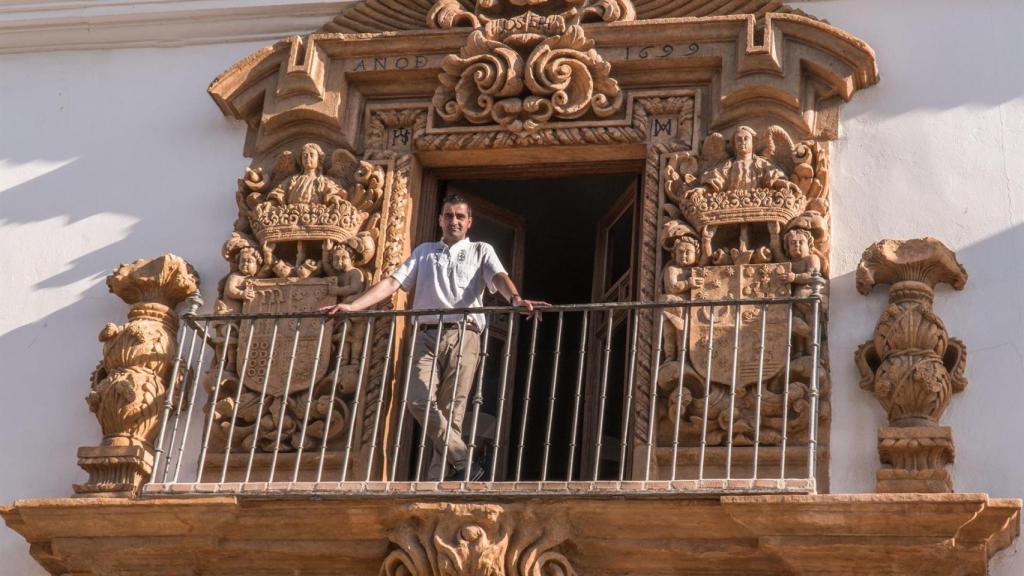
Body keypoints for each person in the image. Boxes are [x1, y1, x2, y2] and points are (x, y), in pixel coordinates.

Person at [322, 194, 545, 481]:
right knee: (417, 399)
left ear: (469, 222)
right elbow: (393, 283)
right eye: (449, 216)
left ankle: (435, 479)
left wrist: (515, 299)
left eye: (460, 217)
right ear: (440, 220)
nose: (454, 221)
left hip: (464, 334)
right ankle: (464, 461)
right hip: (426, 333)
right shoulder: (424, 252)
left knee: (453, 411)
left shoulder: (480, 250)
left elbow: (499, 277)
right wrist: (353, 306)